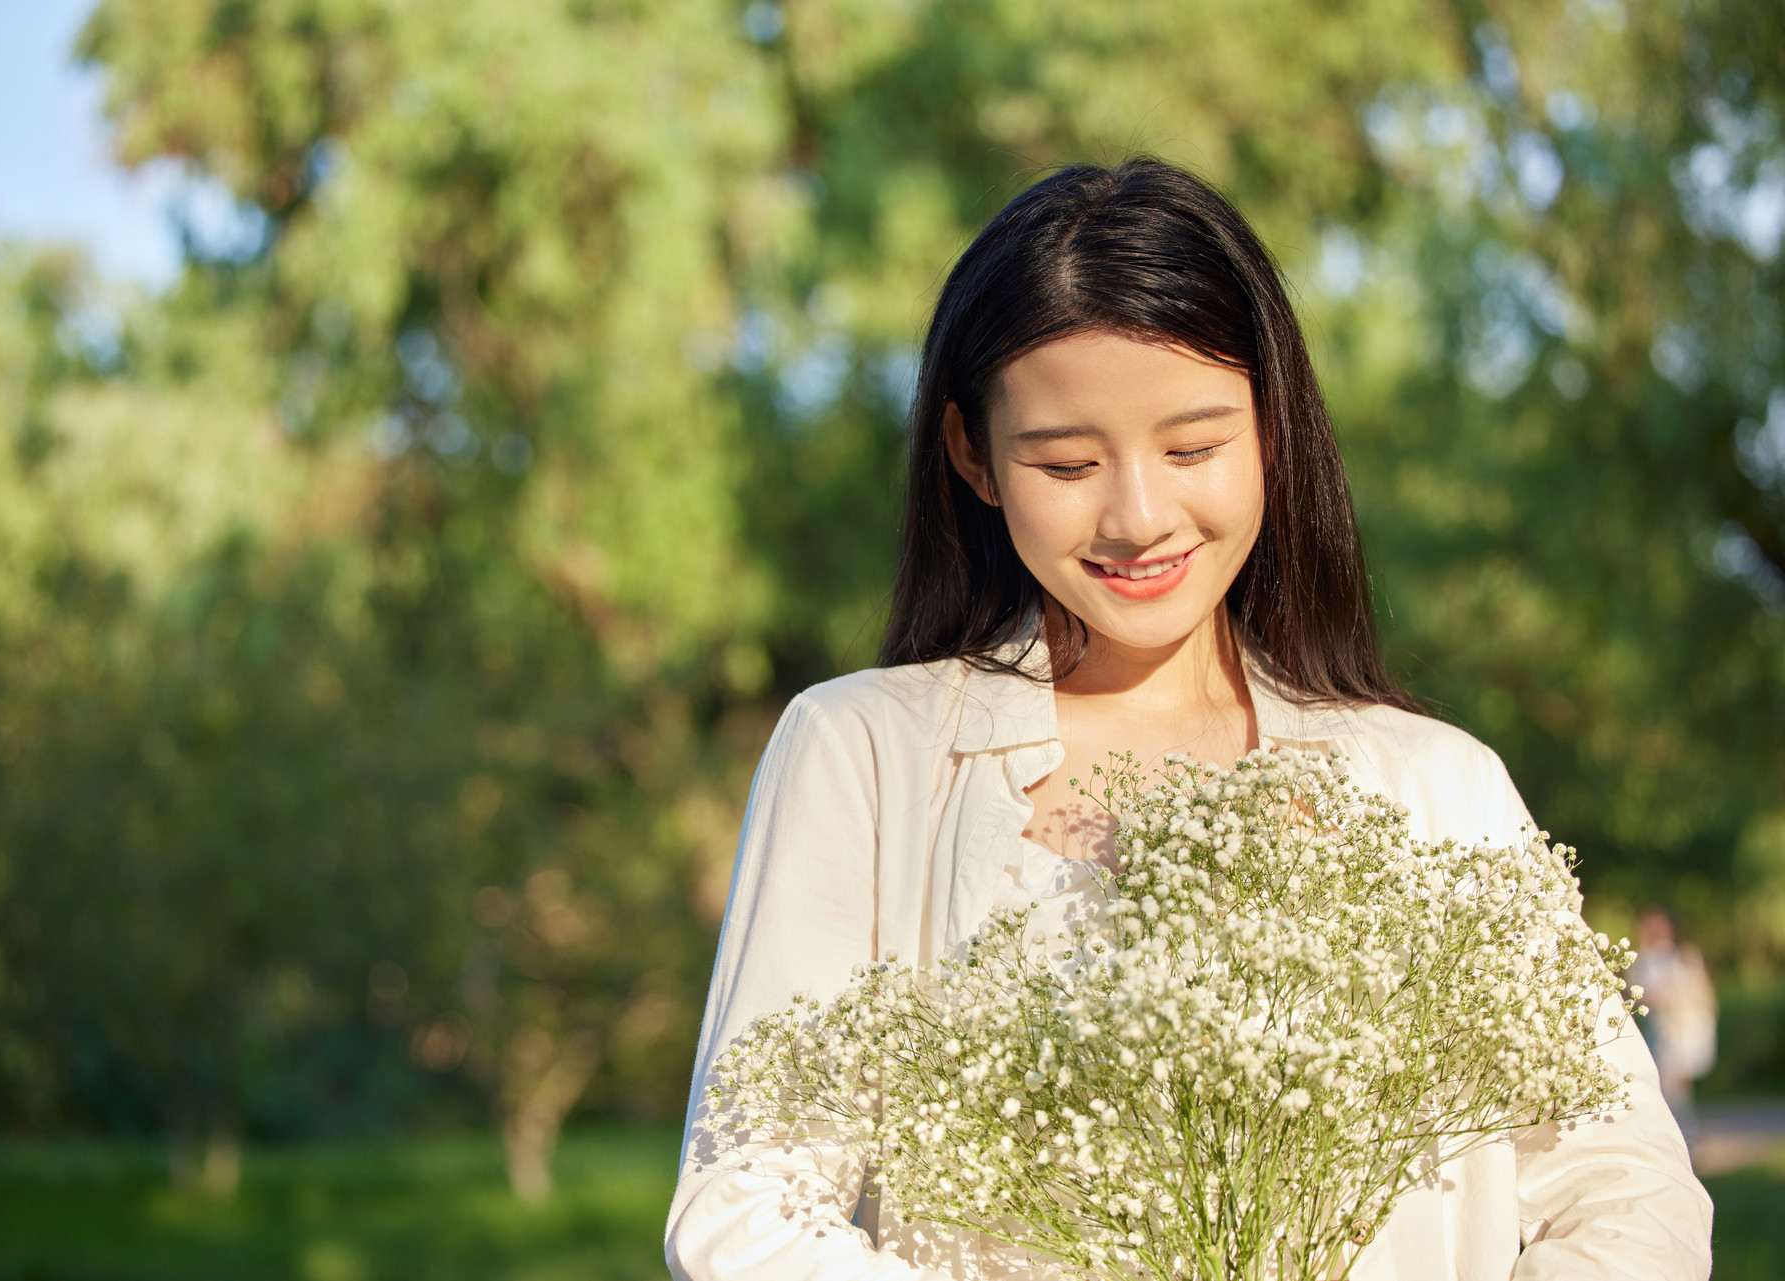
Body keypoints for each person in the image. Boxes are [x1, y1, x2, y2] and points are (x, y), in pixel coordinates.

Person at [665, 158, 1711, 1280]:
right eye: (1065, 461)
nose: (1139, 516)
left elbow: (1625, 1190)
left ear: (1273, 428)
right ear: (972, 456)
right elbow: (747, 1210)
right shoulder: (859, 756)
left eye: (1195, 447)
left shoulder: (1436, 784)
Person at [1629, 905, 1719, 1128]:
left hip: (1682, 1031)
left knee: (1675, 1087)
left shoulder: (1683, 956)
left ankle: (1686, 1135)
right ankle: (1686, 1134)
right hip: (1662, 1033)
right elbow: (1642, 995)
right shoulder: (1644, 961)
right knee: (1670, 1088)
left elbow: (1699, 993)